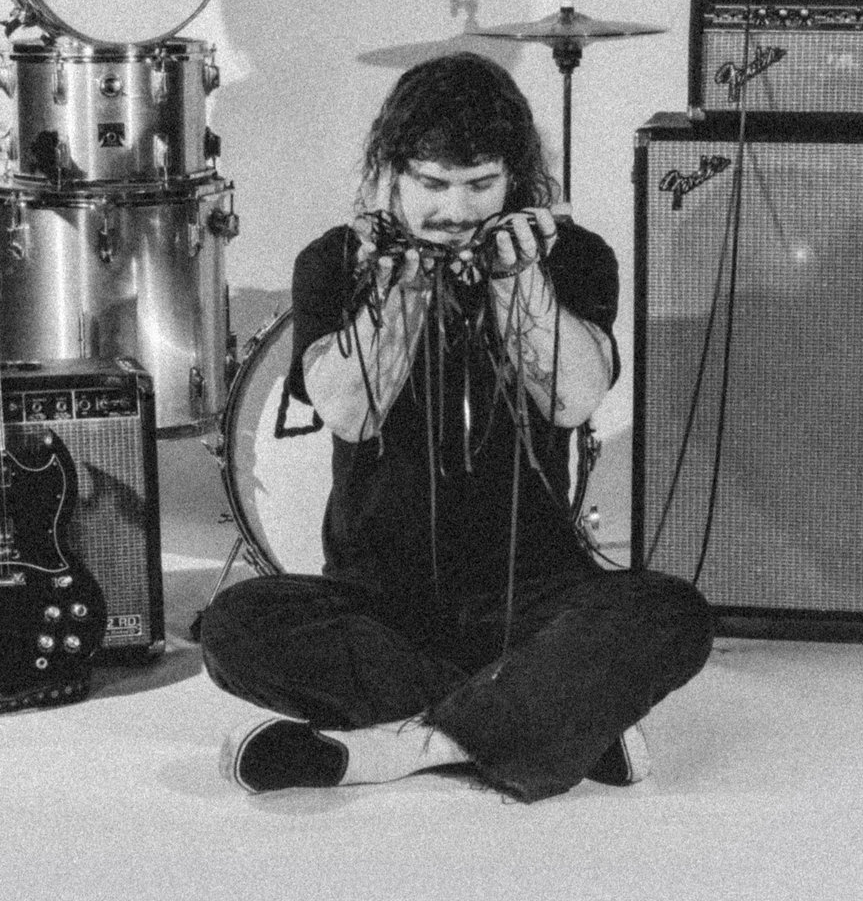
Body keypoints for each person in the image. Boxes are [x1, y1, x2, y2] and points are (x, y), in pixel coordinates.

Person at [199, 52, 713, 802]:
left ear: (515, 181)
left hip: (532, 594)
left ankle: (397, 749)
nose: (456, 211)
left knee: (672, 614)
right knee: (236, 627)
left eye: (480, 185)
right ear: (391, 175)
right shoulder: (334, 261)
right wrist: (401, 288)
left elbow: (572, 400)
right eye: (433, 185)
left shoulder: (572, 257)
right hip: (378, 601)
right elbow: (350, 413)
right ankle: (543, 717)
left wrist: (517, 279)